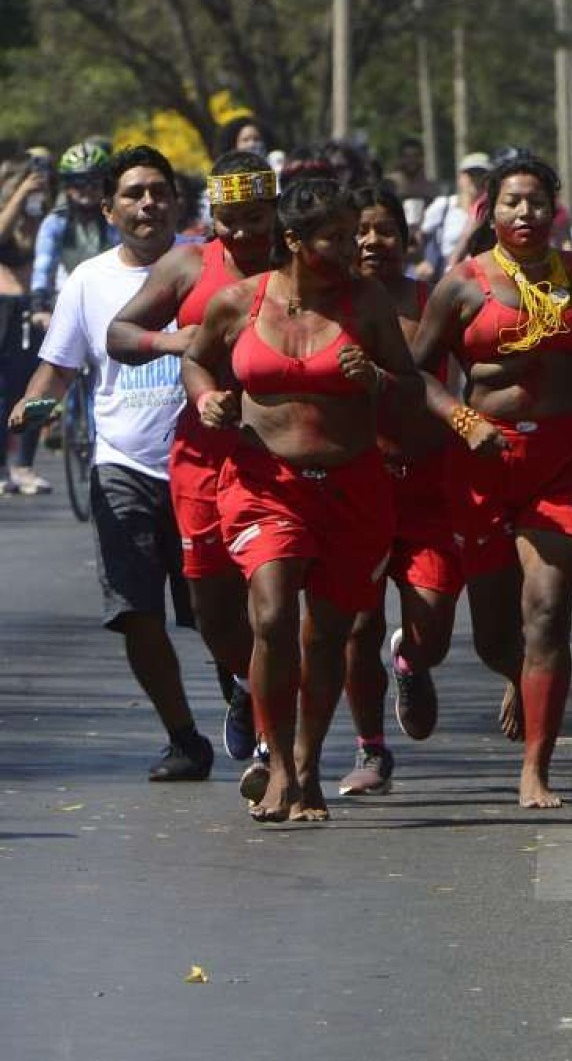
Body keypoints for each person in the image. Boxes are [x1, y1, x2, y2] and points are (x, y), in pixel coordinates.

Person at [181, 178, 418, 822]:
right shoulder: (238, 303)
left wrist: (376, 378)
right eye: (334, 237)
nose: (350, 247)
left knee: (329, 636)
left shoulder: (365, 304)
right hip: (265, 486)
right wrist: (208, 399)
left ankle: (310, 764)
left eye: (351, 234)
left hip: (352, 489)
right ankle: (278, 763)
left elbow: (411, 388)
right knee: (272, 613)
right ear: (292, 241)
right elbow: (197, 362)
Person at [409, 152, 572, 808]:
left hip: (564, 463)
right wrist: (459, 415)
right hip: (481, 463)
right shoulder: (463, 284)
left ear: (556, 207)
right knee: (494, 636)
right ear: (490, 210)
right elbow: (414, 373)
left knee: (547, 607)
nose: (526, 213)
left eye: (537, 201)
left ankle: (536, 766)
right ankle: (519, 676)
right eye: (512, 202)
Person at [7, 147, 213, 779]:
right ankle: (184, 737)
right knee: (134, 611)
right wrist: (33, 404)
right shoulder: (88, 280)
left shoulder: (211, 268)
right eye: (133, 194)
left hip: (209, 463)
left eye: (158, 191)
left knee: (220, 612)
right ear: (109, 209)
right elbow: (60, 367)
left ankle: (248, 708)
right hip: (124, 465)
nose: (146, 203)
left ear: (177, 203)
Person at [106, 151, 280, 769]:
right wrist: (175, 340)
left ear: (275, 212)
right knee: (213, 613)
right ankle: (249, 684)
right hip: (202, 458)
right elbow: (120, 335)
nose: (240, 233)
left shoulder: (299, 264)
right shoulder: (187, 263)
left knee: (274, 601)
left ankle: (273, 743)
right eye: (228, 219)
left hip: (283, 456)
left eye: (255, 218)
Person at [335, 186, 465, 796]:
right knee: (357, 627)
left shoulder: (430, 301)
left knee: (433, 623)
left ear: (405, 240)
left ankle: (411, 661)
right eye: (359, 231)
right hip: (356, 486)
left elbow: (478, 365)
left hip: (431, 487)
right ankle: (371, 749)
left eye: (384, 230)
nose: (371, 242)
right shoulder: (326, 305)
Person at [0, 157, 52, 493]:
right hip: (2, 305)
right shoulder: (7, 214)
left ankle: (25, 465)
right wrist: (19, 198)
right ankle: (2, 468)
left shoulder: (43, 219)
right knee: (2, 393)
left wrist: (37, 212)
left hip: (31, 307)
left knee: (34, 387)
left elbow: (46, 252)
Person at [31, 142, 118, 311]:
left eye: (95, 181)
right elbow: (43, 267)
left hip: (111, 304)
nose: (87, 188)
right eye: (78, 181)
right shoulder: (55, 222)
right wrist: (38, 305)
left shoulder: (116, 220)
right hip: (67, 305)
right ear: (67, 186)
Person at [418, 153, 490, 280]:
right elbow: (419, 237)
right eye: (471, 175)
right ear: (460, 178)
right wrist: (422, 262)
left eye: (481, 175)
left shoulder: (493, 212)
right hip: (444, 277)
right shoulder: (443, 206)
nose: (476, 181)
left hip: (482, 278)